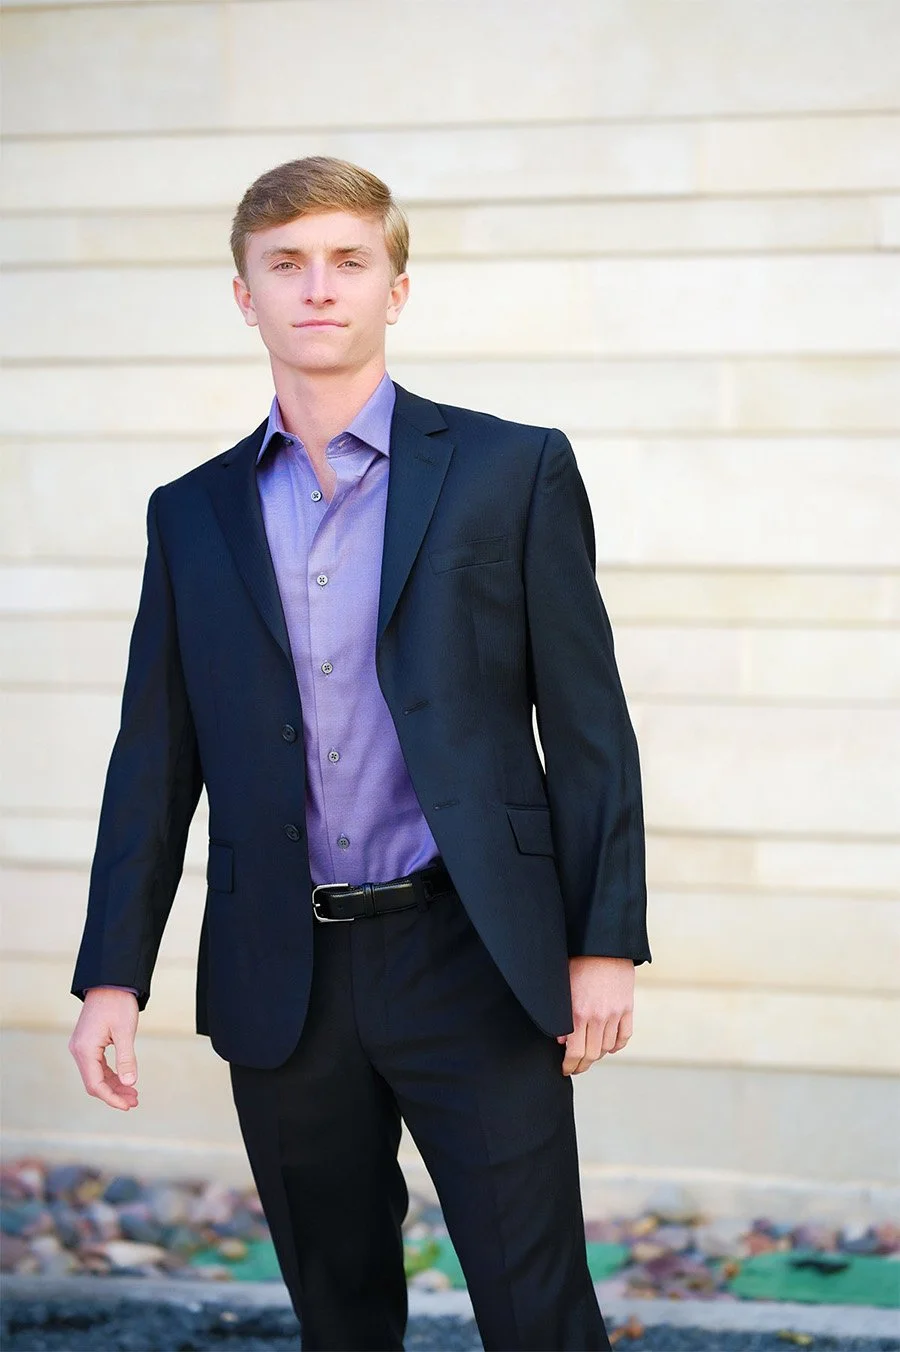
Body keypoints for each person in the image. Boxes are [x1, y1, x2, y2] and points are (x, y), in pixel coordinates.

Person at [68, 156, 652, 1352]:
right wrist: (111, 975)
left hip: (475, 954)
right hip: (284, 968)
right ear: (245, 295)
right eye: (285, 265)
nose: (316, 289)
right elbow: (153, 755)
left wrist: (603, 940)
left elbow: (589, 723)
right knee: (340, 1317)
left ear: (396, 286)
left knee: (538, 1309)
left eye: (348, 261)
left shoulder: (511, 468)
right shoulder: (191, 511)